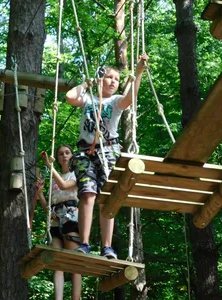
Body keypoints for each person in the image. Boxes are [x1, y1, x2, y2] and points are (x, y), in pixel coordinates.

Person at [66, 53, 148, 259]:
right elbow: (69, 97)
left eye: (116, 79)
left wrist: (138, 72)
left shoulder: (116, 101)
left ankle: (107, 246)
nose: (113, 81)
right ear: (101, 79)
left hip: (109, 151)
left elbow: (131, 98)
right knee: (87, 194)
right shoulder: (88, 99)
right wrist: (86, 84)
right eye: (109, 77)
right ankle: (84, 243)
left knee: (106, 198)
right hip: (86, 151)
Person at [36, 144, 82, 300]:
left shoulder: (76, 174)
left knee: (74, 264)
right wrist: (40, 193)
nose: (64, 155)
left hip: (70, 218)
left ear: (72, 156)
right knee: (57, 264)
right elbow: (48, 208)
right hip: (56, 221)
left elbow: (65, 185)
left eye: (67, 152)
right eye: (61, 153)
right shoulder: (54, 181)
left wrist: (49, 166)